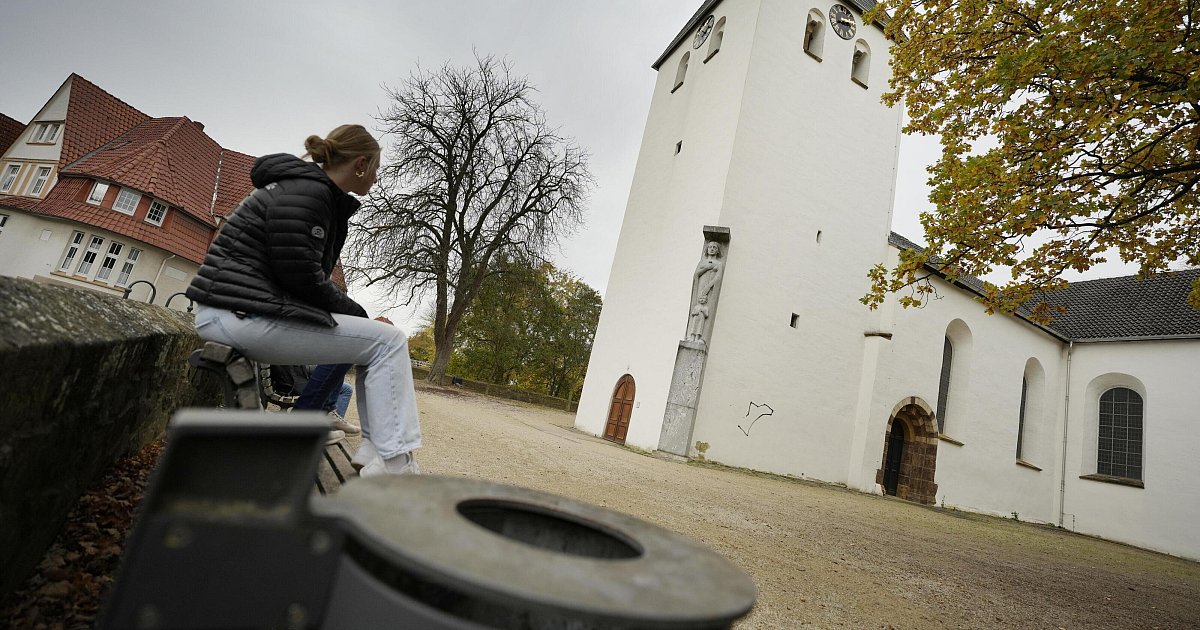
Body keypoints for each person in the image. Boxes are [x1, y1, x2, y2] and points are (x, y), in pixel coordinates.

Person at [187, 124, 421, 476]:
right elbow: (300, 274)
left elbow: (299, 276)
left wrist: (360, 321)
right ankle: (395, 462)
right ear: (360, 164)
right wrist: (361, 316)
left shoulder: (308, 190)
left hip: (238, 314)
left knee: (378, 342)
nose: (376, 177)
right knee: (388, 341)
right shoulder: (308, 192)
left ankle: (376, 452)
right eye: (375, 168)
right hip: (237, 316)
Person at [273, 363, 361, 435]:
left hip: (295, 374)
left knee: (341, 356)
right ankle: (319, 424)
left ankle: (326, 416)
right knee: (340, 357)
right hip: (294, 381)